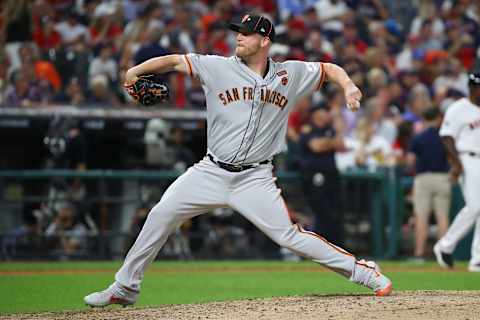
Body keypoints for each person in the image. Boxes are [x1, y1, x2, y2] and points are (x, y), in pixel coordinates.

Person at [84, 14, 392, 308]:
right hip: (211, 171)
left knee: (289, 237)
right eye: (238, 32)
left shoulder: (290, 74)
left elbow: (329, 69)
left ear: (264, 40)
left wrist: (349, 85)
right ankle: (125, 287)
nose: (239, 38)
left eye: (246, 33)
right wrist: (134, 71)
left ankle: (364, 272)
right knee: (161, 214)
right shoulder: (217, 66)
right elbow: (175, 60)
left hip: (255, 178)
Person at [434, 73, 480, 272]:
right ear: (473, 88)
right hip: (467, 158)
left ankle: (477, 259)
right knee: (475, 206)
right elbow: (446, 137)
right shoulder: (458, 108)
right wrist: (457, 164)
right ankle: (445, 245)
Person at [298, 101, 344, 245]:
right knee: (320, 211)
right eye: (324, 111)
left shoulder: (330, 129)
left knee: (334, 211)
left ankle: (333, 245)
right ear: (316, 114)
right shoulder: (308, 130)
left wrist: (327, 142)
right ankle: (316, 245)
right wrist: (330, 142)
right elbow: (317, 146)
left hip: (331, 176)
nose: (327, 114)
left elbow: (341, 144)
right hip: (313, 177)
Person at [408, 107, 450, 261]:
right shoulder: (444, 137)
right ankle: (444, 254)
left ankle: (419, 253)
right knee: (442, 217)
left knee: (421, 217)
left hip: (423, 178)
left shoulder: (418, 137)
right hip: (443, 177)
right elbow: (452, 158)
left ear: (424, 119)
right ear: (438, 118)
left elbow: (410, 161)